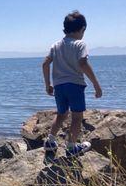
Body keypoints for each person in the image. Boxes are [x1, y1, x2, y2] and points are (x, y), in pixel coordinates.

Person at [42, 10, 103, 157]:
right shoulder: (79, 44)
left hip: (58, 86)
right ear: (82, 29)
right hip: (74, 85)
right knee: (77, 117)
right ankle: (71, 147)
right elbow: (83, 63)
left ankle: (50, 141)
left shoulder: (55, 45)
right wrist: (96, 84)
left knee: (61, 114)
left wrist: (47, 84)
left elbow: (45, 64)